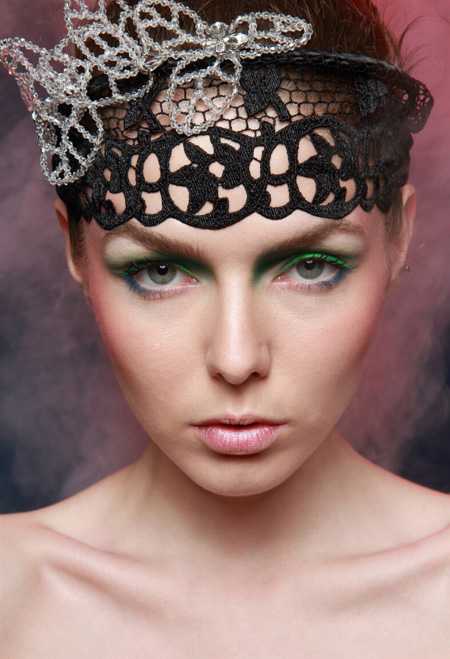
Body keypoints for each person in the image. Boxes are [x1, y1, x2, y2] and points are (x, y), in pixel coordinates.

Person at [0, 0, 449, 656]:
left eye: (311, 265)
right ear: (75, 250)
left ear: (399, 239)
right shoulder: (12, 594)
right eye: (159, 271)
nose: (237, 360)